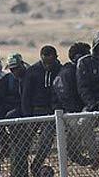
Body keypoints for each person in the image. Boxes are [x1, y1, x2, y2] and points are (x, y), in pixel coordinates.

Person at [53, 42, 99, 168]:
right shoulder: (68, 73)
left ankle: (90, 157)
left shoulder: (80, 71)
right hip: (67, 111)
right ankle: (80, 156)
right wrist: (77, 110)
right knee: (78, 125)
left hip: (78, 109)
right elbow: (65, 95)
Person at [21, 45, 62, 176]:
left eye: (50, 62)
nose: (47, 66)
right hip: (35, 111)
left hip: (51, 112)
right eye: (45, 63)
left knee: (46, 140)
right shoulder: (33, 71)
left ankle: (36, 165)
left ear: (56, 58)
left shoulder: (60, 70)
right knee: (24, 142)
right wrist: (27, 115)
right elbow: (26, 94)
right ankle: (21, 170)